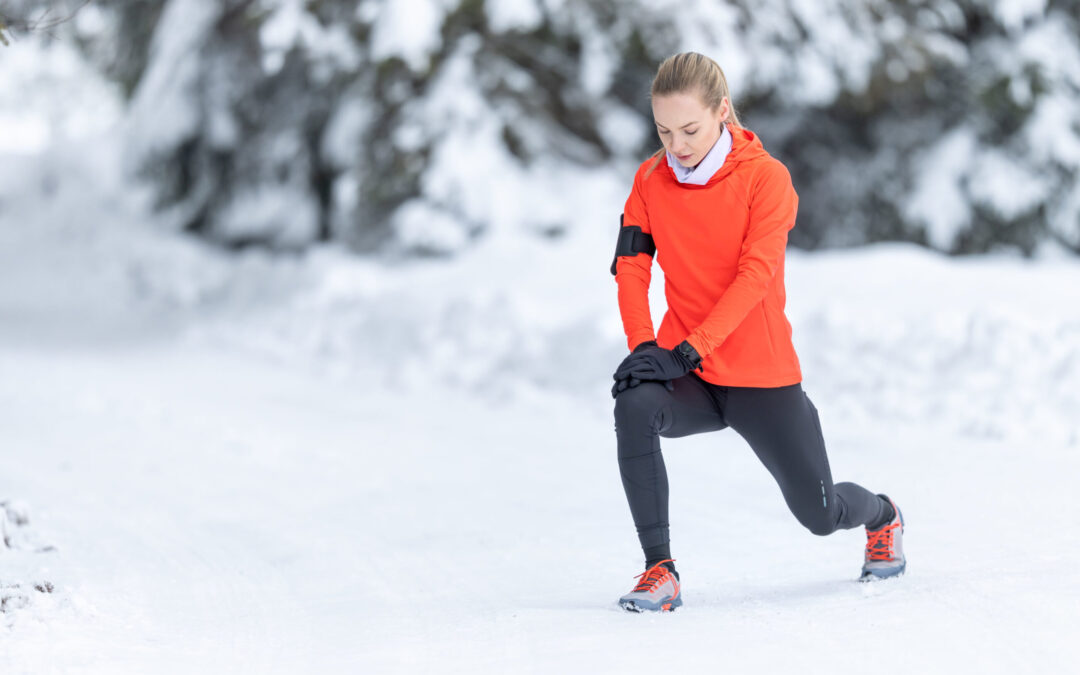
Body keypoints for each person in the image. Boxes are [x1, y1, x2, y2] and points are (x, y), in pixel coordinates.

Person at [610, 52, 905, 613]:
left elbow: (754, 278)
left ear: (722, 111)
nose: (677, 145)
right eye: (664, 131)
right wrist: (644, 347)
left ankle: (883, 515)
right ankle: (660, 570)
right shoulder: (650, 180)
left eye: (690, 129)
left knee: (820, 516)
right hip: (688, 374)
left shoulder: (766, 180)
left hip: (759, 375)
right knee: (634, 405)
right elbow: (631, 266)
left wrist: (688, 349)